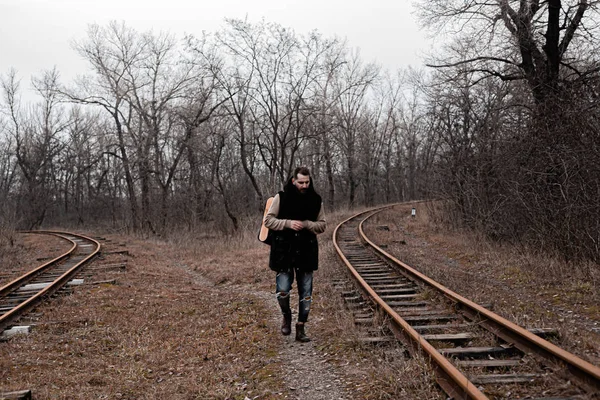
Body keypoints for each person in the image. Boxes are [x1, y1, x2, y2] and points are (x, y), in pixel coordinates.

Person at [264, 166, 326, 342]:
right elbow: (268, 220)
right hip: (283, 251)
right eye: (301, 182)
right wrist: (288, 223)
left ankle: (301, 327)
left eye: (307, 182)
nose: (304, 185)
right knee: (282, 290)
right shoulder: (281, 197)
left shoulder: (316, 200)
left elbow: (322, 225)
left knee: (306, 293)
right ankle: (286, 315)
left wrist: (307, 224)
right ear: (293, 181)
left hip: (306, 251)